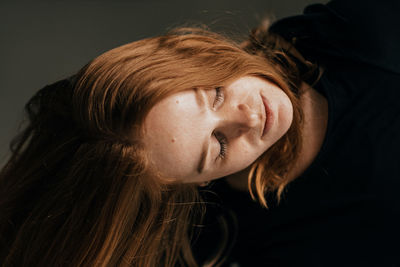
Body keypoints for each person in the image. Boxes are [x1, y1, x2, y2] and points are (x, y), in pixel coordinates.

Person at [0, 0, 398, 266]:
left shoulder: (361, 32)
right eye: (219, 145)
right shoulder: (234, 243)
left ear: (198, 53)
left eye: (216, 94)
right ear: (200, 181)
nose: (249, 120)